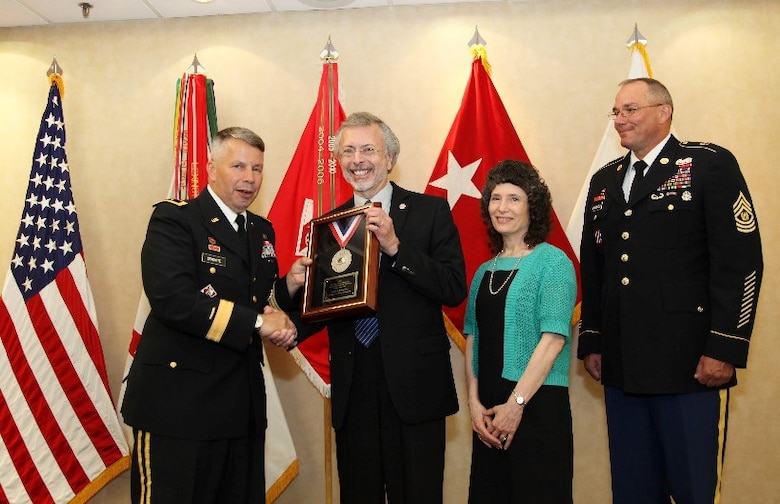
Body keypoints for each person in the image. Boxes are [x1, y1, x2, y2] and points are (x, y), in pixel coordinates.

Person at [578, 78, 763, 503]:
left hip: (688, 365)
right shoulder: (605, 180)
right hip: (622, 367)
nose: (620, 120)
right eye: (616, 112)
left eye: (630, 110)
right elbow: (596, 266)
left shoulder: (707, 164)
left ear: (664, 112)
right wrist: (594, 339)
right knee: (633, 489)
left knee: (693, 487)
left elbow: (740, 262)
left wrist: (725, 347)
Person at [121, 127, 306, 503]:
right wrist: (258, 323)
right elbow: (173, 300)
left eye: (257, 169)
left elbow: (257, 300)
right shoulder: (176, 220)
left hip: (241, 408)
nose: (249, 178)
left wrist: (288, 287)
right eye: (238, 166)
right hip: (178, 408)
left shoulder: (260, 230)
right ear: (210, 169)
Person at [298, 111, 467, 504]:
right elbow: (320, 306)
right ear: (339, 162)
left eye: (368, 149)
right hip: (354, 385)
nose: (358, 160)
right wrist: (290, 293)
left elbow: (453, 287)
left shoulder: (430, 212)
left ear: (390, 158)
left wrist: (395, 247)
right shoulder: (328, 225)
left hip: (415, 386)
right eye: (348, 151)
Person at [463, 160, 577, 503]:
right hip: (489, 414)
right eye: (495, 199)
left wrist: (516, 404)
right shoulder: (484, 270)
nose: (502, 208)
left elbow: (554, 339)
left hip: (537, 406)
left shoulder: (554, 263)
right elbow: (473, 337)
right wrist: (473, 401)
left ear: (533, 207)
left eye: (514, 198)